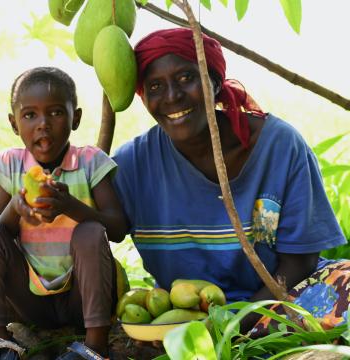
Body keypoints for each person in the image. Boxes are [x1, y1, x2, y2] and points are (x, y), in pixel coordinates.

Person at [111, 28, 349, 335]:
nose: (172, 96)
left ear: (215, 81)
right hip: (185, 317)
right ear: (144, 97)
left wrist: (231, 325)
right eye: (155, 86)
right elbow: (92, 232)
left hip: (277, 301)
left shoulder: (278, 146)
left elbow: (300, 262)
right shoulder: (132, 164)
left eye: (187, 78)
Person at [0, 66, 126, 360]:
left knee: (91, 231)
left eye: (55, 112)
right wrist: (14, 210)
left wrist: (72, 207)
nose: (43, 124)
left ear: (76, 118)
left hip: (82, 297)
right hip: (31, 299)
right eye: (30, 115)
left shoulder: (91, 161)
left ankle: (95, 346)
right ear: (14, 124)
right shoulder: (9, 164)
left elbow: (118, 229)